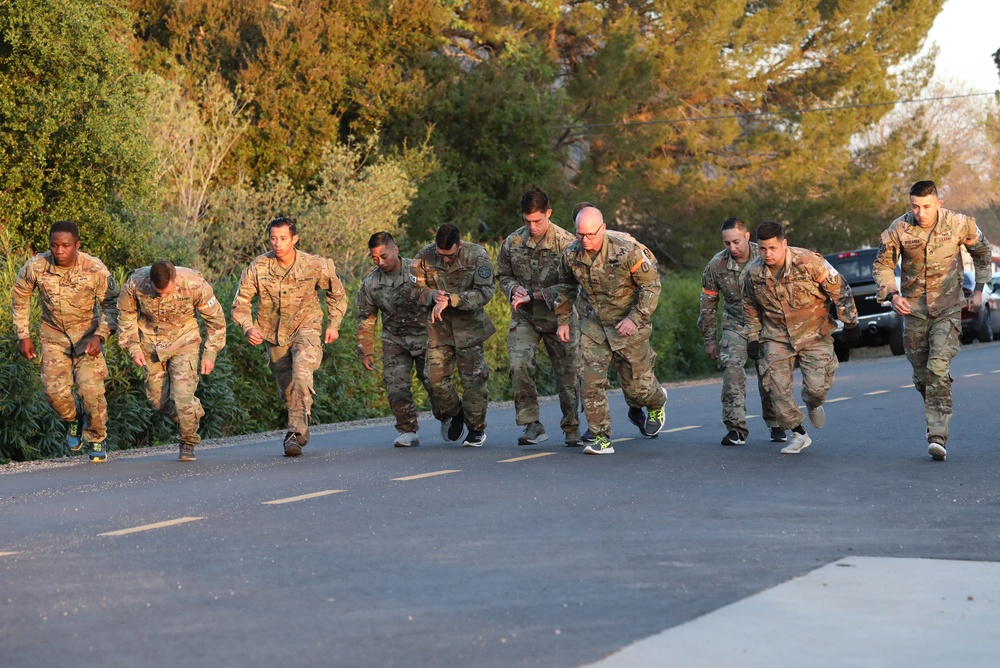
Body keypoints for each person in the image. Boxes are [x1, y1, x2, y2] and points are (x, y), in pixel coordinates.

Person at [873, 180, 993, 461]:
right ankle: (937, 401)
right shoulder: (899, 229)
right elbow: (883, 264)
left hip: (948, 309)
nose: (921, 212)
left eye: (926, 206)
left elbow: (983, 252)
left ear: (938, 204)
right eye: (915, 206)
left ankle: (937, 434)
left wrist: (978, 290)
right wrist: (892, 295)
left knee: (937, 368)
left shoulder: (960, 224)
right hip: (913, 311)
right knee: (921, 377)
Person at [554, 206, 667, 455]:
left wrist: (635, 318)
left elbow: (651, 287)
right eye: (580, 235)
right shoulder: (572, 254)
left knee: (638, 390)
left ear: (603, 229)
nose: (585, 240)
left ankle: (657, 401)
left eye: (590, 235)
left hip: (628, 325)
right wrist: (563, 320)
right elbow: (565, 286)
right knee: (590, 382)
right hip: (593, 325)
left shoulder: (627, 251)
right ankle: (601, 438)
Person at [232, 217, 348, 456]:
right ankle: (301, 425)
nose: (277, 243)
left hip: (307, 328)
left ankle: (294, 433)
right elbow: (240, 304)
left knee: (301, 373)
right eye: (273, 238)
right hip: (273, 335)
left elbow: (337, 294)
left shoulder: (315, 265)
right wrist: (248, 327)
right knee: (288, 388)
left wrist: (333, 324)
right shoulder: (258, 267)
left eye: (283, 238)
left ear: (294, 239)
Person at [743, 221, 860, 455]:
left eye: (773, 248)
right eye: (763, 249)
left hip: (814, 333)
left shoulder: (809, 262)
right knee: (775, 387)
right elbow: (749, 306)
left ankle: (813, 403)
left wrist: (850, 322)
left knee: (816, 388)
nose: (768, 254)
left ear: (784, 244)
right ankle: (798, 433)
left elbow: (840, 288)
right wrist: (753, 337)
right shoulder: (753, 273)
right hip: (776, 336)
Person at [12, 221, 119, 462]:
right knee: (53, 393)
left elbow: (113, 305)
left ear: (77, 245)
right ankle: (73, 419)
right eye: (54, 245)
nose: (59, 251)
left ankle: (97, 438)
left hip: (87, 338)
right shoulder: (37, 266)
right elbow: (20, 296)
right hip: (53, 337)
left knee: (90, 391)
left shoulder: (94, 268)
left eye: (65, 246)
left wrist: (100, 335)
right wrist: (23, 334)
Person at [117, 261, 227, 461]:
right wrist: (133, 348)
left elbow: (216, 321)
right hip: (150, 343)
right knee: (157, 401)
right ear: (150, 282)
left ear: (175, 280)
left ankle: (187, 441)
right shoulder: (135, 284)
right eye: (158, 292)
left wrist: (210, 354)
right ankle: (191, 413)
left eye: (166, 292)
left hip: (184, 341)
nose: (162, 296)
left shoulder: (194, 284)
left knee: (182, 397)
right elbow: (126, 316)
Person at [497, 189, 581, 446]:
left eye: (538, 221)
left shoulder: (567, 243)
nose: (532, 227)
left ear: (549, 213)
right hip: (526, 318)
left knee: (568, 375)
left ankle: (572, 428)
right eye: (527, 221)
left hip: (560, 317)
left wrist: (533, 294)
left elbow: (571, 287)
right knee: (518, 366)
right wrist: (513, 288)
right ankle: (532, 425)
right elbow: (502, 275)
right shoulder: (512, 242)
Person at [697, 218, 784, 446]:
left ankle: (776, 422)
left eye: (736, 241)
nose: (732, 248)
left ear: (746, 237)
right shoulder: (716, 265)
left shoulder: (765, 256)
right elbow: (708, 305)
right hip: (735, 323)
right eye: (727, 243)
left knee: (769, 374)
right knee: (732, 371)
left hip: (766, 324)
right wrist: (710, 340)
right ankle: (735, 428)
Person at [411, 224, 497, 447]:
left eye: (450, 256)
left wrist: (452, 299)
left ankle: (477, 429)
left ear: (459, 245)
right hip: (439, 329)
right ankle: (455, 412)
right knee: (433, 379)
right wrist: (431, 294)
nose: (445, 260)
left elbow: (485, 292)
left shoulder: (477, 255)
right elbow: (413, 290)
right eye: (441, 255)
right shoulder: (423, 257)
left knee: (474, 381)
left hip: (469, 328)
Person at [356, 232, 440, 447]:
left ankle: (448, 415)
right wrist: (366, 350)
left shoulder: (419, 271)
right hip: (395, 340)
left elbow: (439, 296)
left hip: (425, 335)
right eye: (375, 258)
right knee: (396, 386)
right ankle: (407, 429)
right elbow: (367, 317)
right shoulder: (371, 283)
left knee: (436, 384)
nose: (380, 262)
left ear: (396, 249)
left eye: (384, 256)